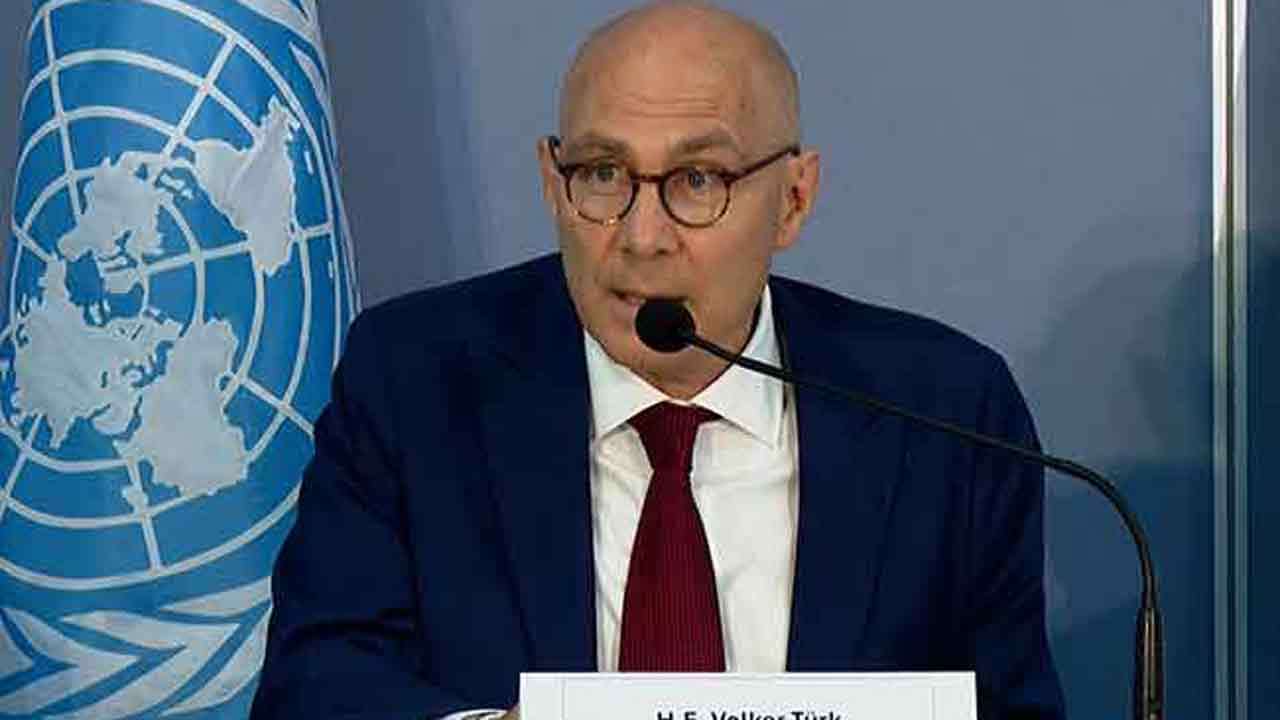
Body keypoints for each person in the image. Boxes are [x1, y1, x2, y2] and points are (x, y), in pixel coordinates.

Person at [251, 2, 1066, 719]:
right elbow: (314, 689)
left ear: (793, 199)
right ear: (552, 182)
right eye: (603, 174)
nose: (642, 238)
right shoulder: (416, 383)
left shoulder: (946, 416)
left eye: (698, 179)